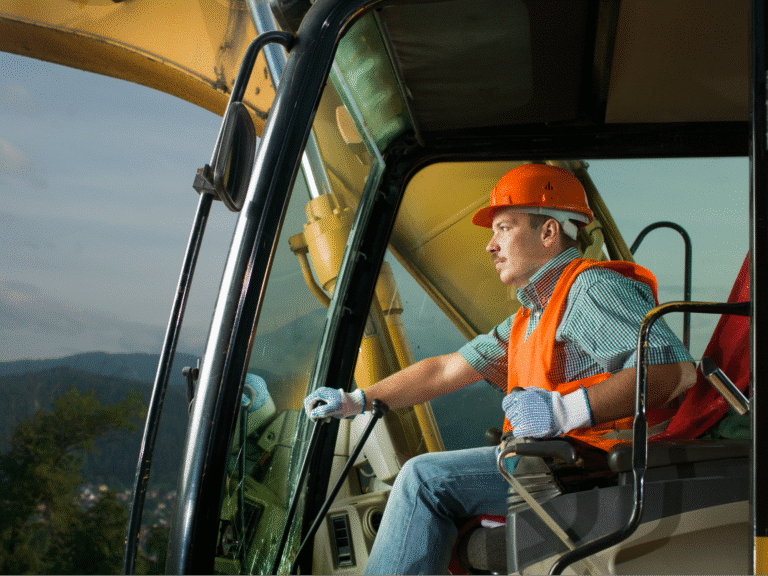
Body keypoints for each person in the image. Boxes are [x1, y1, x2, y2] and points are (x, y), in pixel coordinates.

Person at [303, 163, 696, 575]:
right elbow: (445, 369)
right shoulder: (533, 313)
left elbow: (671, 371)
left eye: (504, 228)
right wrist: (358, 399)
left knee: (424, 479)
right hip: (553, 462)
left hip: (593, 467)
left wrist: (564, 411)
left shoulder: (589, 291)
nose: (491, 245)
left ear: (549, 232)